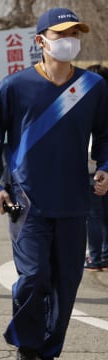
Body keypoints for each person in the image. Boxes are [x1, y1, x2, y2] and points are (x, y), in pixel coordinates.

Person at [0, 8, 108, 360]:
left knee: (66, 282)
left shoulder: (93, 87)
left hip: (73, 201)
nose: (70, 40)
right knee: (34, 278)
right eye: (61, 33)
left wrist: (105, 167)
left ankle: (48, 354)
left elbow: (105, 136)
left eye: (75, 34)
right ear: (41, 42)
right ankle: (26, 350)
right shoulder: (15, 87)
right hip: (28, 202)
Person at [85, 64, 108, 273]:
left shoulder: (91, 104)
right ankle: (105, 254)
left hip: (94, 169)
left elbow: (93, 144)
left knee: (93, 214)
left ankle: (96, 256)